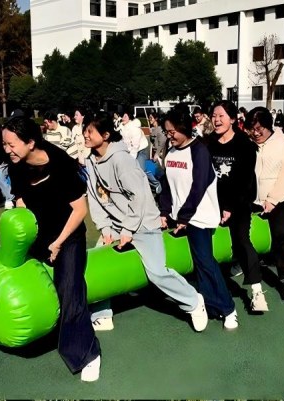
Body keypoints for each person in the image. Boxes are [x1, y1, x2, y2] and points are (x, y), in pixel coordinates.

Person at [83, 111, 208, 332]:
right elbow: (95, 197)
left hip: (143, 222)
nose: (85, 135)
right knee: (98, 264)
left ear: (105, 135)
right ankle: (102, 314)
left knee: (157, 272)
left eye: (89, 131)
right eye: (85, 130)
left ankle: (193, 302)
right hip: (116, 222)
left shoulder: (121, 160)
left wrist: (128, 230)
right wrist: (105, 228)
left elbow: (139, 197)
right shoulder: (91, 161)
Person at [2, 117, 102, 382]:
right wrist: (24, 238)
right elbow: (21, 202)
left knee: (69, 288)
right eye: (5, 144)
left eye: (11, 144)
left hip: (67, 235)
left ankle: (87, 354)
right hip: (39, 233)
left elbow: (80, 210)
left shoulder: (60, 164)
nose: (7, 150)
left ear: (30, 142)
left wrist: (57, 243)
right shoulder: (16, 166)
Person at [159, 110, 238, 330]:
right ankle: (210, 305)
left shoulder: (199, 150)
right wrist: (164, 211)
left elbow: (199, 186)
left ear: (184, 128)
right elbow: (166, 184)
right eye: (167, 132)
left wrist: (185, 216)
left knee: (205, 262)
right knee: (197, 264)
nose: (169, 136)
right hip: (181, 217)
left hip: (198, 217)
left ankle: (228, 308)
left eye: (172, 132)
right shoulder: (171, 152)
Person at [206, 100, 266, 311]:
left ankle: (257, 292)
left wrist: (229, 207)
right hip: (213, 202)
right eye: (214, 116)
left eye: (221, 116)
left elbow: (245, 182)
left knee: (241, 240)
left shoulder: (245, 145)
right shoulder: (208, 143)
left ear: (232, 119)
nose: (216, 120)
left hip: (239, 202)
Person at [245, 107, 284, 299]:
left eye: (259, 129)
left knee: (283, 235)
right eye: (252, 129)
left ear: (269, 126)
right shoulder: (247, 143)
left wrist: (272, 199)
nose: (255, 133)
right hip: (253, 198)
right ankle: (242, 262)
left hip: (280, 198)